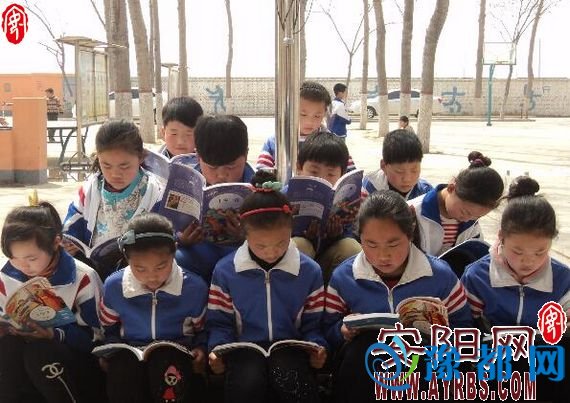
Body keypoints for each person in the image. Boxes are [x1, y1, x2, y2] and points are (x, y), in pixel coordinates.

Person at [323, 191, 472, 403]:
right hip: (365, 371)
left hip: (422, 367)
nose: (383, 255)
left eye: (393, 244)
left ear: (410, 235)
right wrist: (343, 331)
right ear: (360, 239)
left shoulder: (439, 275)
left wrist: (440, 333)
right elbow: (327, 329)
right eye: (371, 244)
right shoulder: (345, 277)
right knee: (365, 346)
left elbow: (464, 328)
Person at [207, 171, 327, 403]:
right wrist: (217, 349)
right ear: (245, 234)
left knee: (290, 375)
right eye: (261, 246)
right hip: (243, 349)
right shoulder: (226, 271)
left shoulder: (309, 271)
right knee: (247, 379)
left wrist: (317, 348)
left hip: (291, 349)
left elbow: (314, 324)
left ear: (291, 231)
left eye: (281, 243)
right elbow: (219, 322)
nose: (271, 252)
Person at [461, 176, 570, 401]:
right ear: (501, 237)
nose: (528, 261)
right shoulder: (477, 277)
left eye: (540, 252)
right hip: (493, 368)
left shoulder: (563, 280)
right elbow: (464, 330)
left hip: (546, 368)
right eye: (517, 251)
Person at [0, 201, 105, 403]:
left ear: (56, 242)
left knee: (39, 351)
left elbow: (97, 338)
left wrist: (54, 334)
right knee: (7, 347)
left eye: (31, 258)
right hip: (24, 357)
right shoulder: (6, 276)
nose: (22, 266)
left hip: (74, 362)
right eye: (14, 258)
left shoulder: (83, 277)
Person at [99, 213, 208, 403]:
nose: (151, 276)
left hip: (176, 351)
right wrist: (109, 350)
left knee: (167, 370)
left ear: (174, 252)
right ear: (126, 258)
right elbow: (109, 328)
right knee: (122, 375)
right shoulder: (114, 286)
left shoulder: (193, 288)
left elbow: (203, 329)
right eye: (140, 269)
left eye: (161, 267)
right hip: (131, 350)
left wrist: (201, 348)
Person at [62, 120, 164, 280]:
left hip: (135, 267)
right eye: (106, 166)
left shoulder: (154, 192)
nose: (115, 174)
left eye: (124, 166)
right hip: (91, 263)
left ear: (141, 157)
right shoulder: (90, 189)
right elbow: (73, 220)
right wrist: (69, 242)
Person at [175, 114, 254, 283]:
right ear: (198, 157)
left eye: (231, 166)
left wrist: (248, 236)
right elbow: (165, 224)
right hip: (195, 254)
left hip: (241, 257)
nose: (221, 175)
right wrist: (181, 239)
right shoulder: (183, 183)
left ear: (246, 155)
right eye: (212, 167)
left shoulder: (258, 187)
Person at [292, 132, 362, 281]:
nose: (322, 178)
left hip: (328, 260)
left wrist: (337, 234)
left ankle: (335, 292)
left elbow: (351, 232)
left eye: (330, 174)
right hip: (300, 263)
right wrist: (304, 235)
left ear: (342, 174)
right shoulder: (289, 194)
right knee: (299, 245)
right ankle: (302, 293)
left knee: (351, 247)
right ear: (299, 167)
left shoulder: (345, 199)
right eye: (313, 171)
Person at [409, 151, 504, 256]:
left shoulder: (471, 223)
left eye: (477, 217)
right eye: (464, 212)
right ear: (451, 188)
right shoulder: (412, 212)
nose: (467, 219)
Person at [256, 80, 356, 171]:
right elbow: (262, 174)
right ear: (291, 111)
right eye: (303, 114)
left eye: (317, 116)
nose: (309, 122)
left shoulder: (334, 144)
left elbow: (350, 175)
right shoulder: (275, 142)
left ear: (325, 113)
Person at [362, 129, 433, 200]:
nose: (407, 179)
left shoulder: (425, 192)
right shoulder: (370, 187)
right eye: (400, 171)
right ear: (383, 166)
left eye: (414, 170)